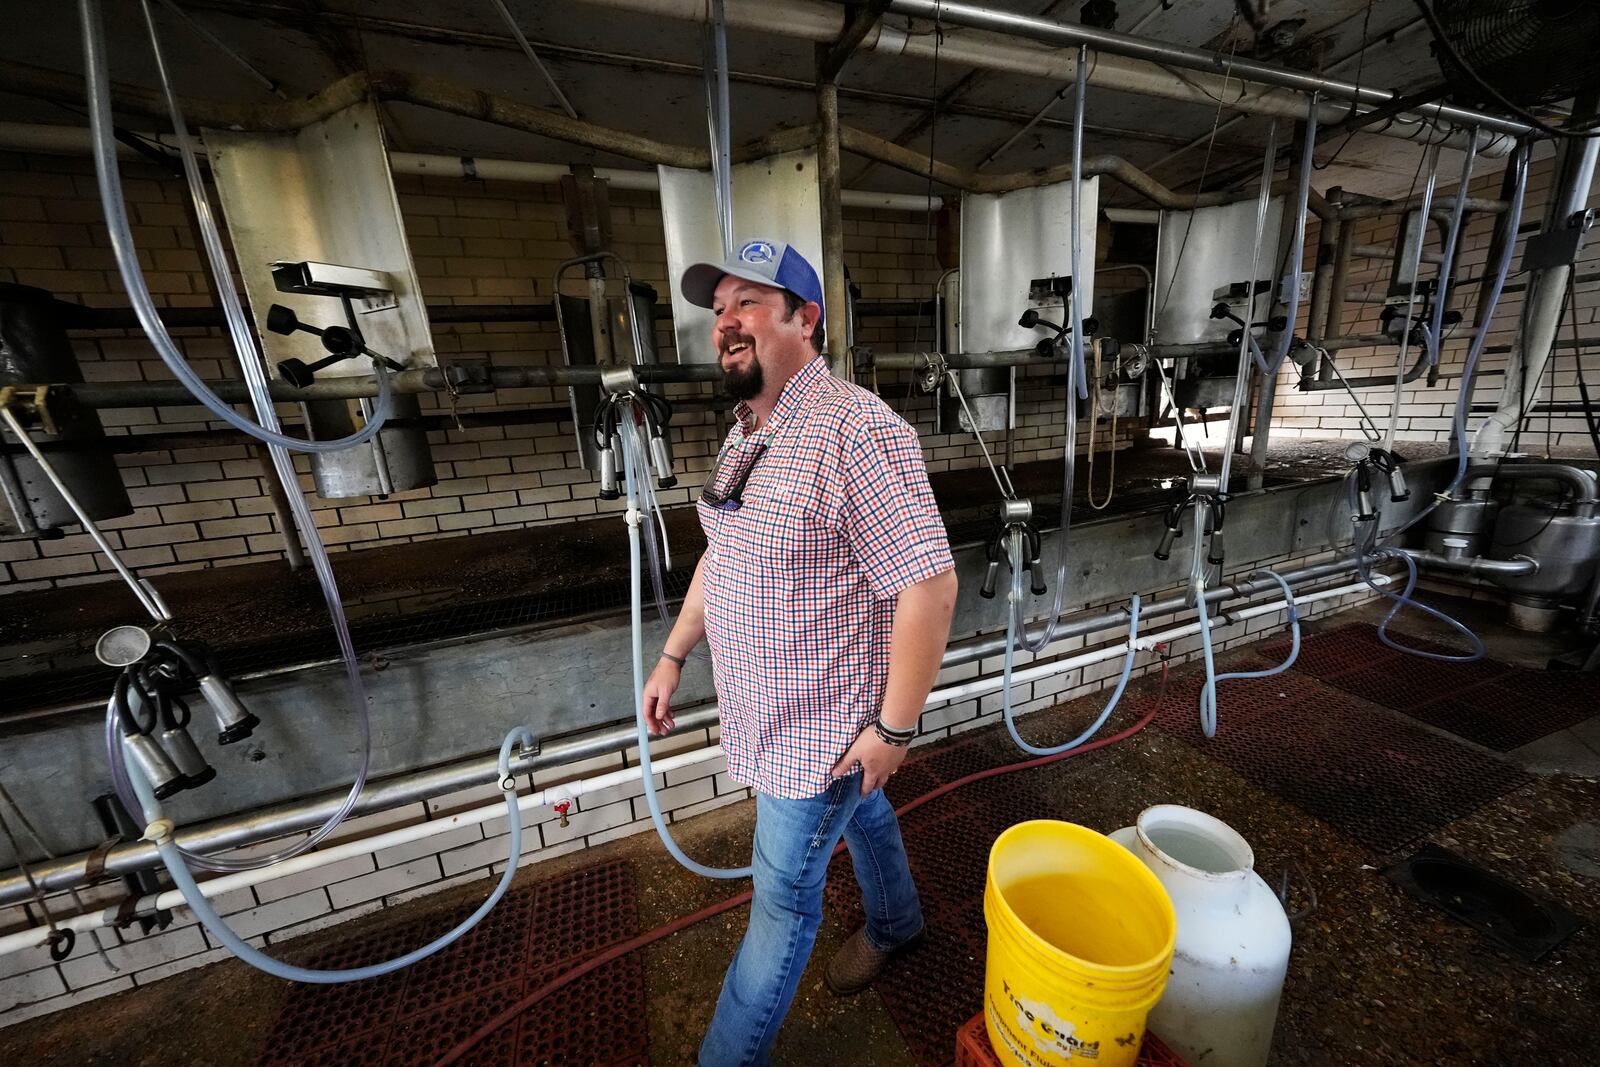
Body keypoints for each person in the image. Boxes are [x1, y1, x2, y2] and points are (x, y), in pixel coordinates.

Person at [641, 238, 958, 1066]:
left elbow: (929, 588)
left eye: (747, 302)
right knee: (868, 808)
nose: (726, 325)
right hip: (769, 715)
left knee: (781, 905)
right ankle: (899, 922)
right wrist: (674, 654)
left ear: (804, 317)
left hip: (819, 740)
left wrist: (891, 733)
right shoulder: (748, 427)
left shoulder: (858, 431)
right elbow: (725, 551)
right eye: (718, 312)